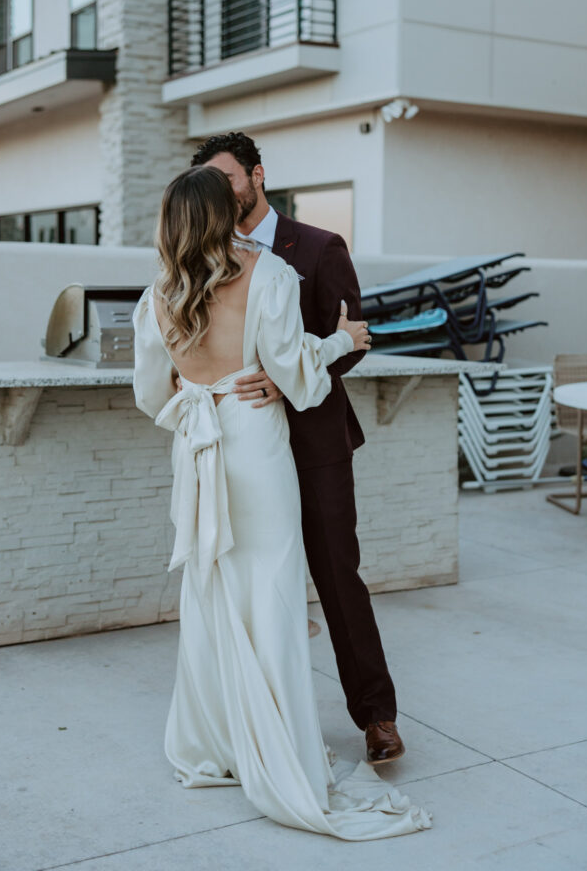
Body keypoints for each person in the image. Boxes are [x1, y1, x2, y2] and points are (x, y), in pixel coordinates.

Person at [132, 165, 430, 839]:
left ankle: (218, 746)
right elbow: (295, 371)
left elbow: (152, 397)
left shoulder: (157, 296)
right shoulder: (266, 276)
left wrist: (197, 398)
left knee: (213, 592)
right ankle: (279, 747)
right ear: (220, 214)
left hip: (200, 443)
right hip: (255, 450)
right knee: (269, 589)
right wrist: (343, 341)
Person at [190, 132, 404, 766]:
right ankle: (262, 721)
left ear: (257, 175)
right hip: (246, 450)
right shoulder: (206, 255)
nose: (221, 193)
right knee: (250, 581)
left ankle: (377, 717)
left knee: (338, 577)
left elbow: (354, 338)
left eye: (227, 178)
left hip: (315, 445)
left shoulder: (317, 247)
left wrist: (285, 383)